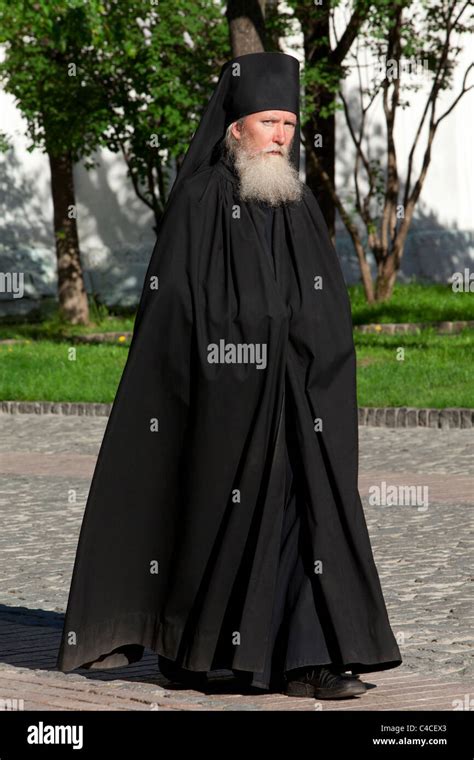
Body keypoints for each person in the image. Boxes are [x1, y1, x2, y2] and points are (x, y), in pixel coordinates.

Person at [56, 51, 402, 700]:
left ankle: (311, 660)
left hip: (301, 397)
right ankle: (204, 653)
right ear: (235, 126)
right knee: (222, 516)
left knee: (311, 517)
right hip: (225, 404)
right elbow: (179, 312)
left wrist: (313, 355)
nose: (281, 136)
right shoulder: (199, 202)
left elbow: (324, 304)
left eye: (290, 125)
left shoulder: (295, 204)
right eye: (269, 121)